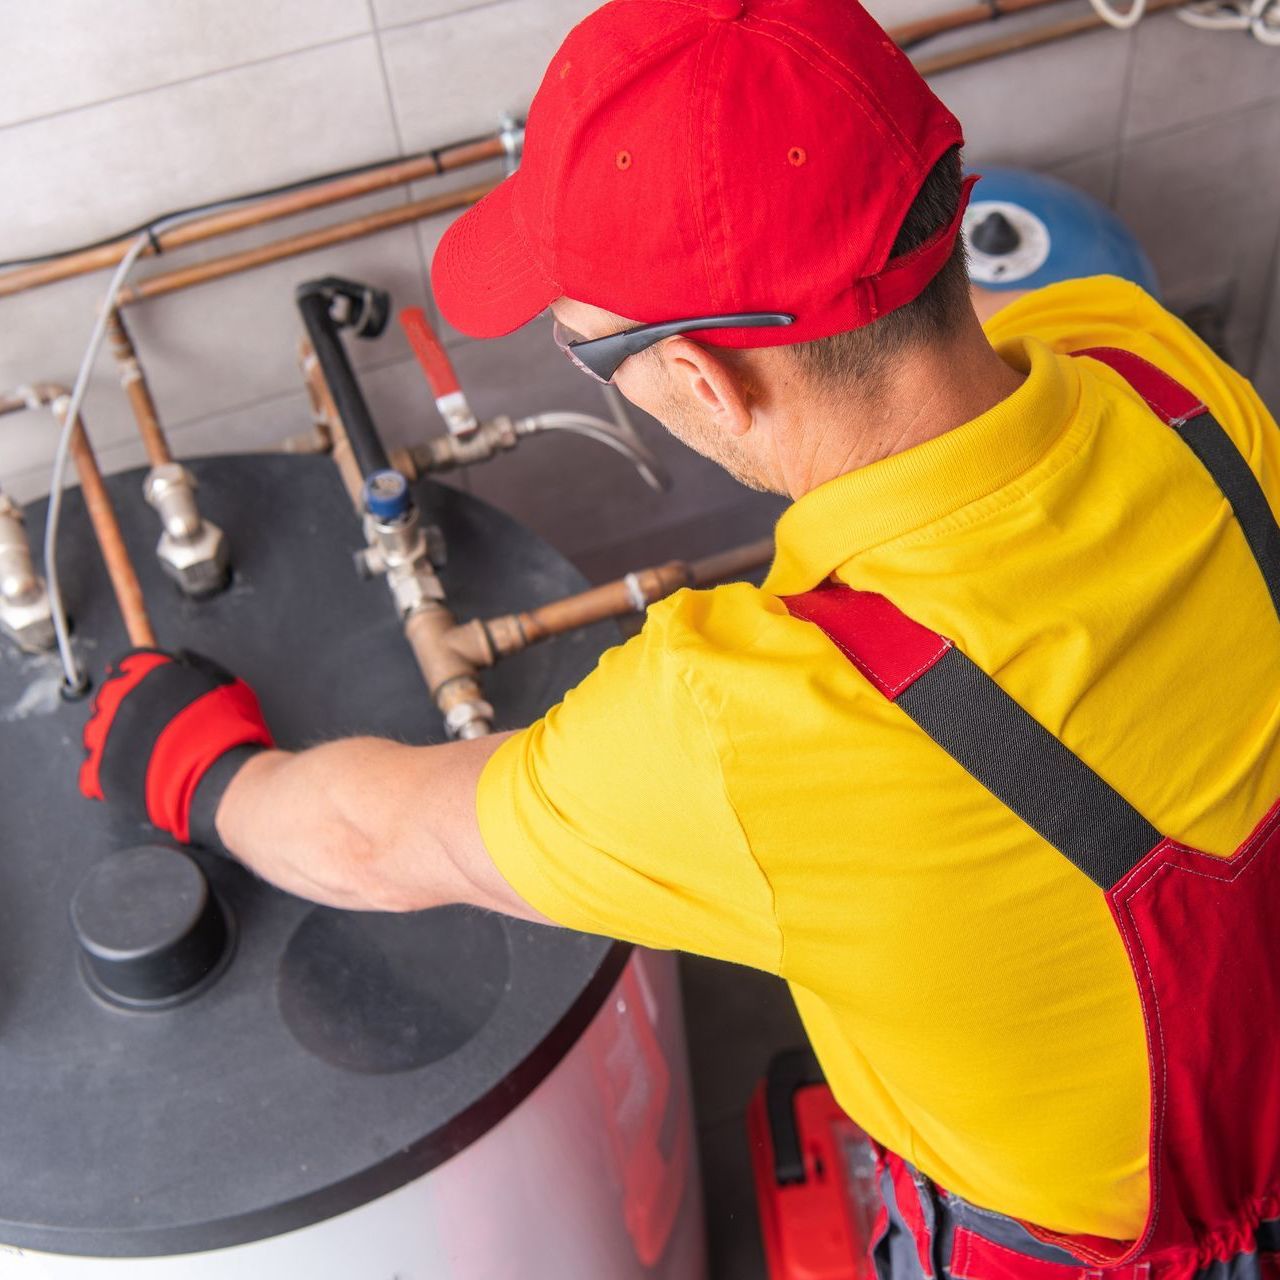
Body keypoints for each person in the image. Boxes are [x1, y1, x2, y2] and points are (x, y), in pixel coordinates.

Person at [79, 1, 1280, 1276]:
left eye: (590, 355)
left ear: (705, 378)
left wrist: (201, 766)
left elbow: (379, 838)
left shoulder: (757, 725)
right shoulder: (1150, 366)